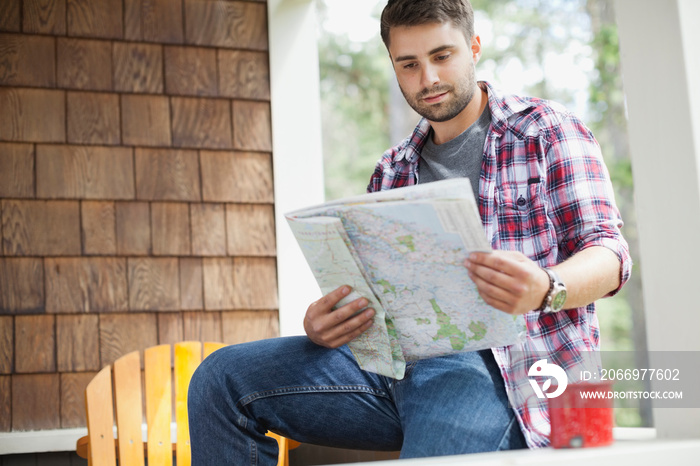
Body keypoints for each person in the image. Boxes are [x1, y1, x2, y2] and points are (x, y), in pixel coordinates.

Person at [188, 0, 631, 463]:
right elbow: (376, 301)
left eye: (442, 56)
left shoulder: (547, 130)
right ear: (395, 68)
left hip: (510, 373)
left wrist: (545, 288)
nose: (429, 79)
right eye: (410, 64)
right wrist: (328, 325)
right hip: (394, 371)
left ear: (474, 47)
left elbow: (609, 253)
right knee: (221, 378)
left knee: (448, 368)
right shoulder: (392, 169)